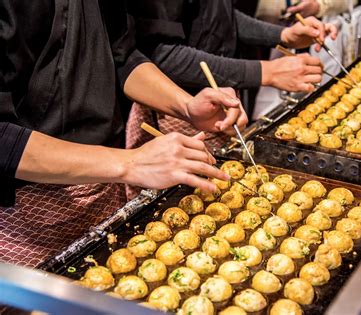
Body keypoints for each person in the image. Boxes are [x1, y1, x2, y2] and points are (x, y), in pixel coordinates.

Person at [0, 0, 247, 267]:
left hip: (105, 184)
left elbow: (122, 55)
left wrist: (186, 105)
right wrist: (131, 162)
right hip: (26, 211)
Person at [126, 0, 337, 151]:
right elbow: (160, 52)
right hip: (175, 107)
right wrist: (265, 71)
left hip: (223, 94)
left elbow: (219, 15)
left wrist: (282, 35)